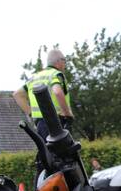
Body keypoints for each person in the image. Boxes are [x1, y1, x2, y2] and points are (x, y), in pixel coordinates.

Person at [13, 48, 75, 176]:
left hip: (40, 124)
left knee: (46, 157)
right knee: (64, 158)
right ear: (58, 61)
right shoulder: (55, 74)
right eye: (64, 61)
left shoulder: (34, 77)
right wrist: (67, 113)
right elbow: (57, 91)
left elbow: (17, 94)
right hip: (56, 122)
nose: (65, 65)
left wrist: (30, 113)